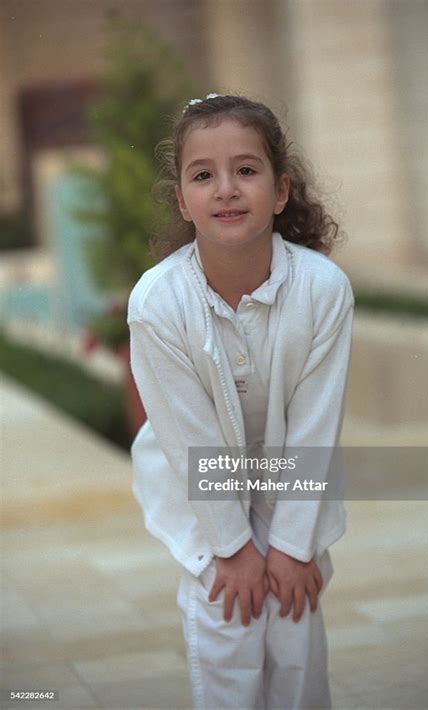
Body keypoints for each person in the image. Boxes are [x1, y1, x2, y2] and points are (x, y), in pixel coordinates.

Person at [127, 93, 354, 710]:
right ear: (182, 199)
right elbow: (187, 436)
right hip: (196, 484)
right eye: (204, 175)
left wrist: (289, 546)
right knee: (228, 620)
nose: (226, 189)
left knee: (294, 620)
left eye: (246, 170)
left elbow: (314, 424)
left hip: (291, 477)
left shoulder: (322, 290)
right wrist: (231, 551)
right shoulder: (157, 303)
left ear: (280, 191)